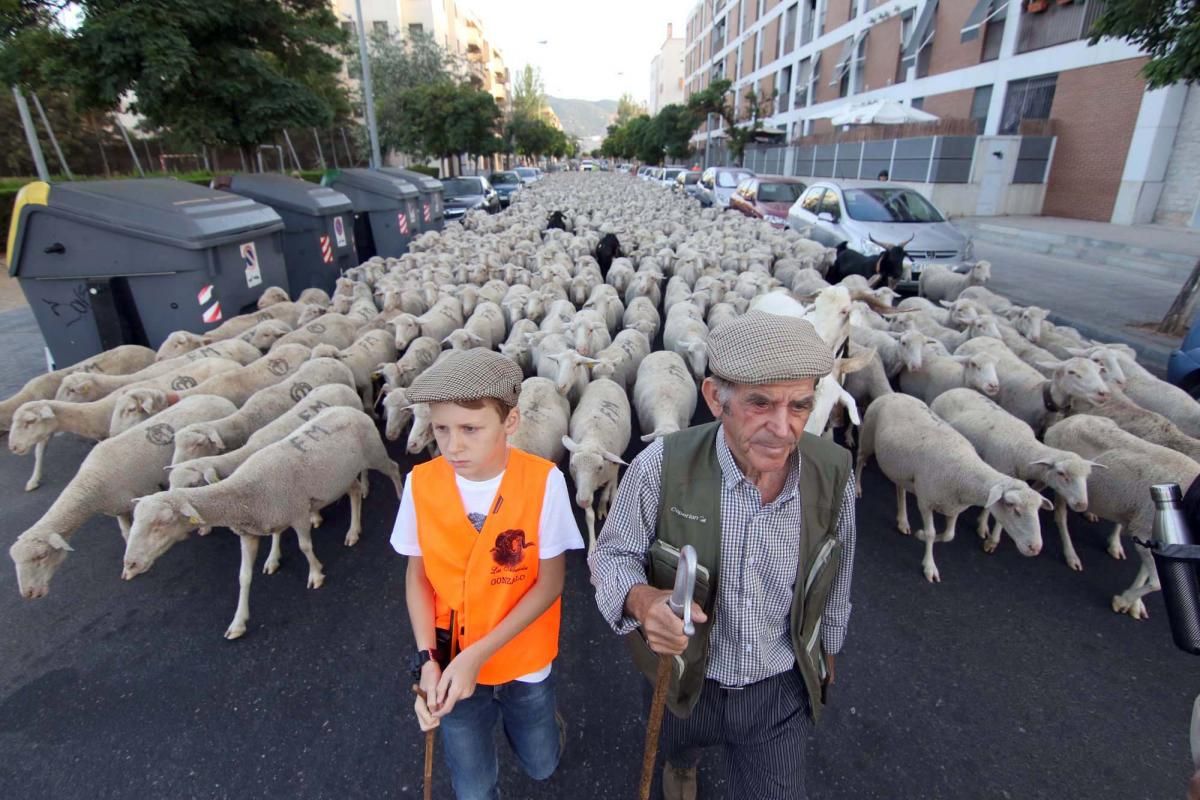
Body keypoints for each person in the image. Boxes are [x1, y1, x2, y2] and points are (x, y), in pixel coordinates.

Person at [588, 311, 858, 800]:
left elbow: (838, 571)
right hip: (683, 675)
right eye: (760, 403)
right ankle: (683, 762)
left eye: (799, 405)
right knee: (677, 745)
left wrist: (827, 647)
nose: (783, 428)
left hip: (777, 686)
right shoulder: (660, 467)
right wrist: (643, 601)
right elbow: (612, 555)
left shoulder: (834, 473)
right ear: (716, 399)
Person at [392, 349, 584, 800]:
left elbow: (550, 582)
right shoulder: (421, 484)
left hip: (523, 660)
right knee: (473, 790)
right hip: (449, 661)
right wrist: (427, 660)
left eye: (470, 430)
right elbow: (417, 576)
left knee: (541, 763)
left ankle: (547, 732)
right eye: (441, 429)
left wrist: (477, 656)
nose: (453, 445)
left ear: (510, 422)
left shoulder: (544, 482)